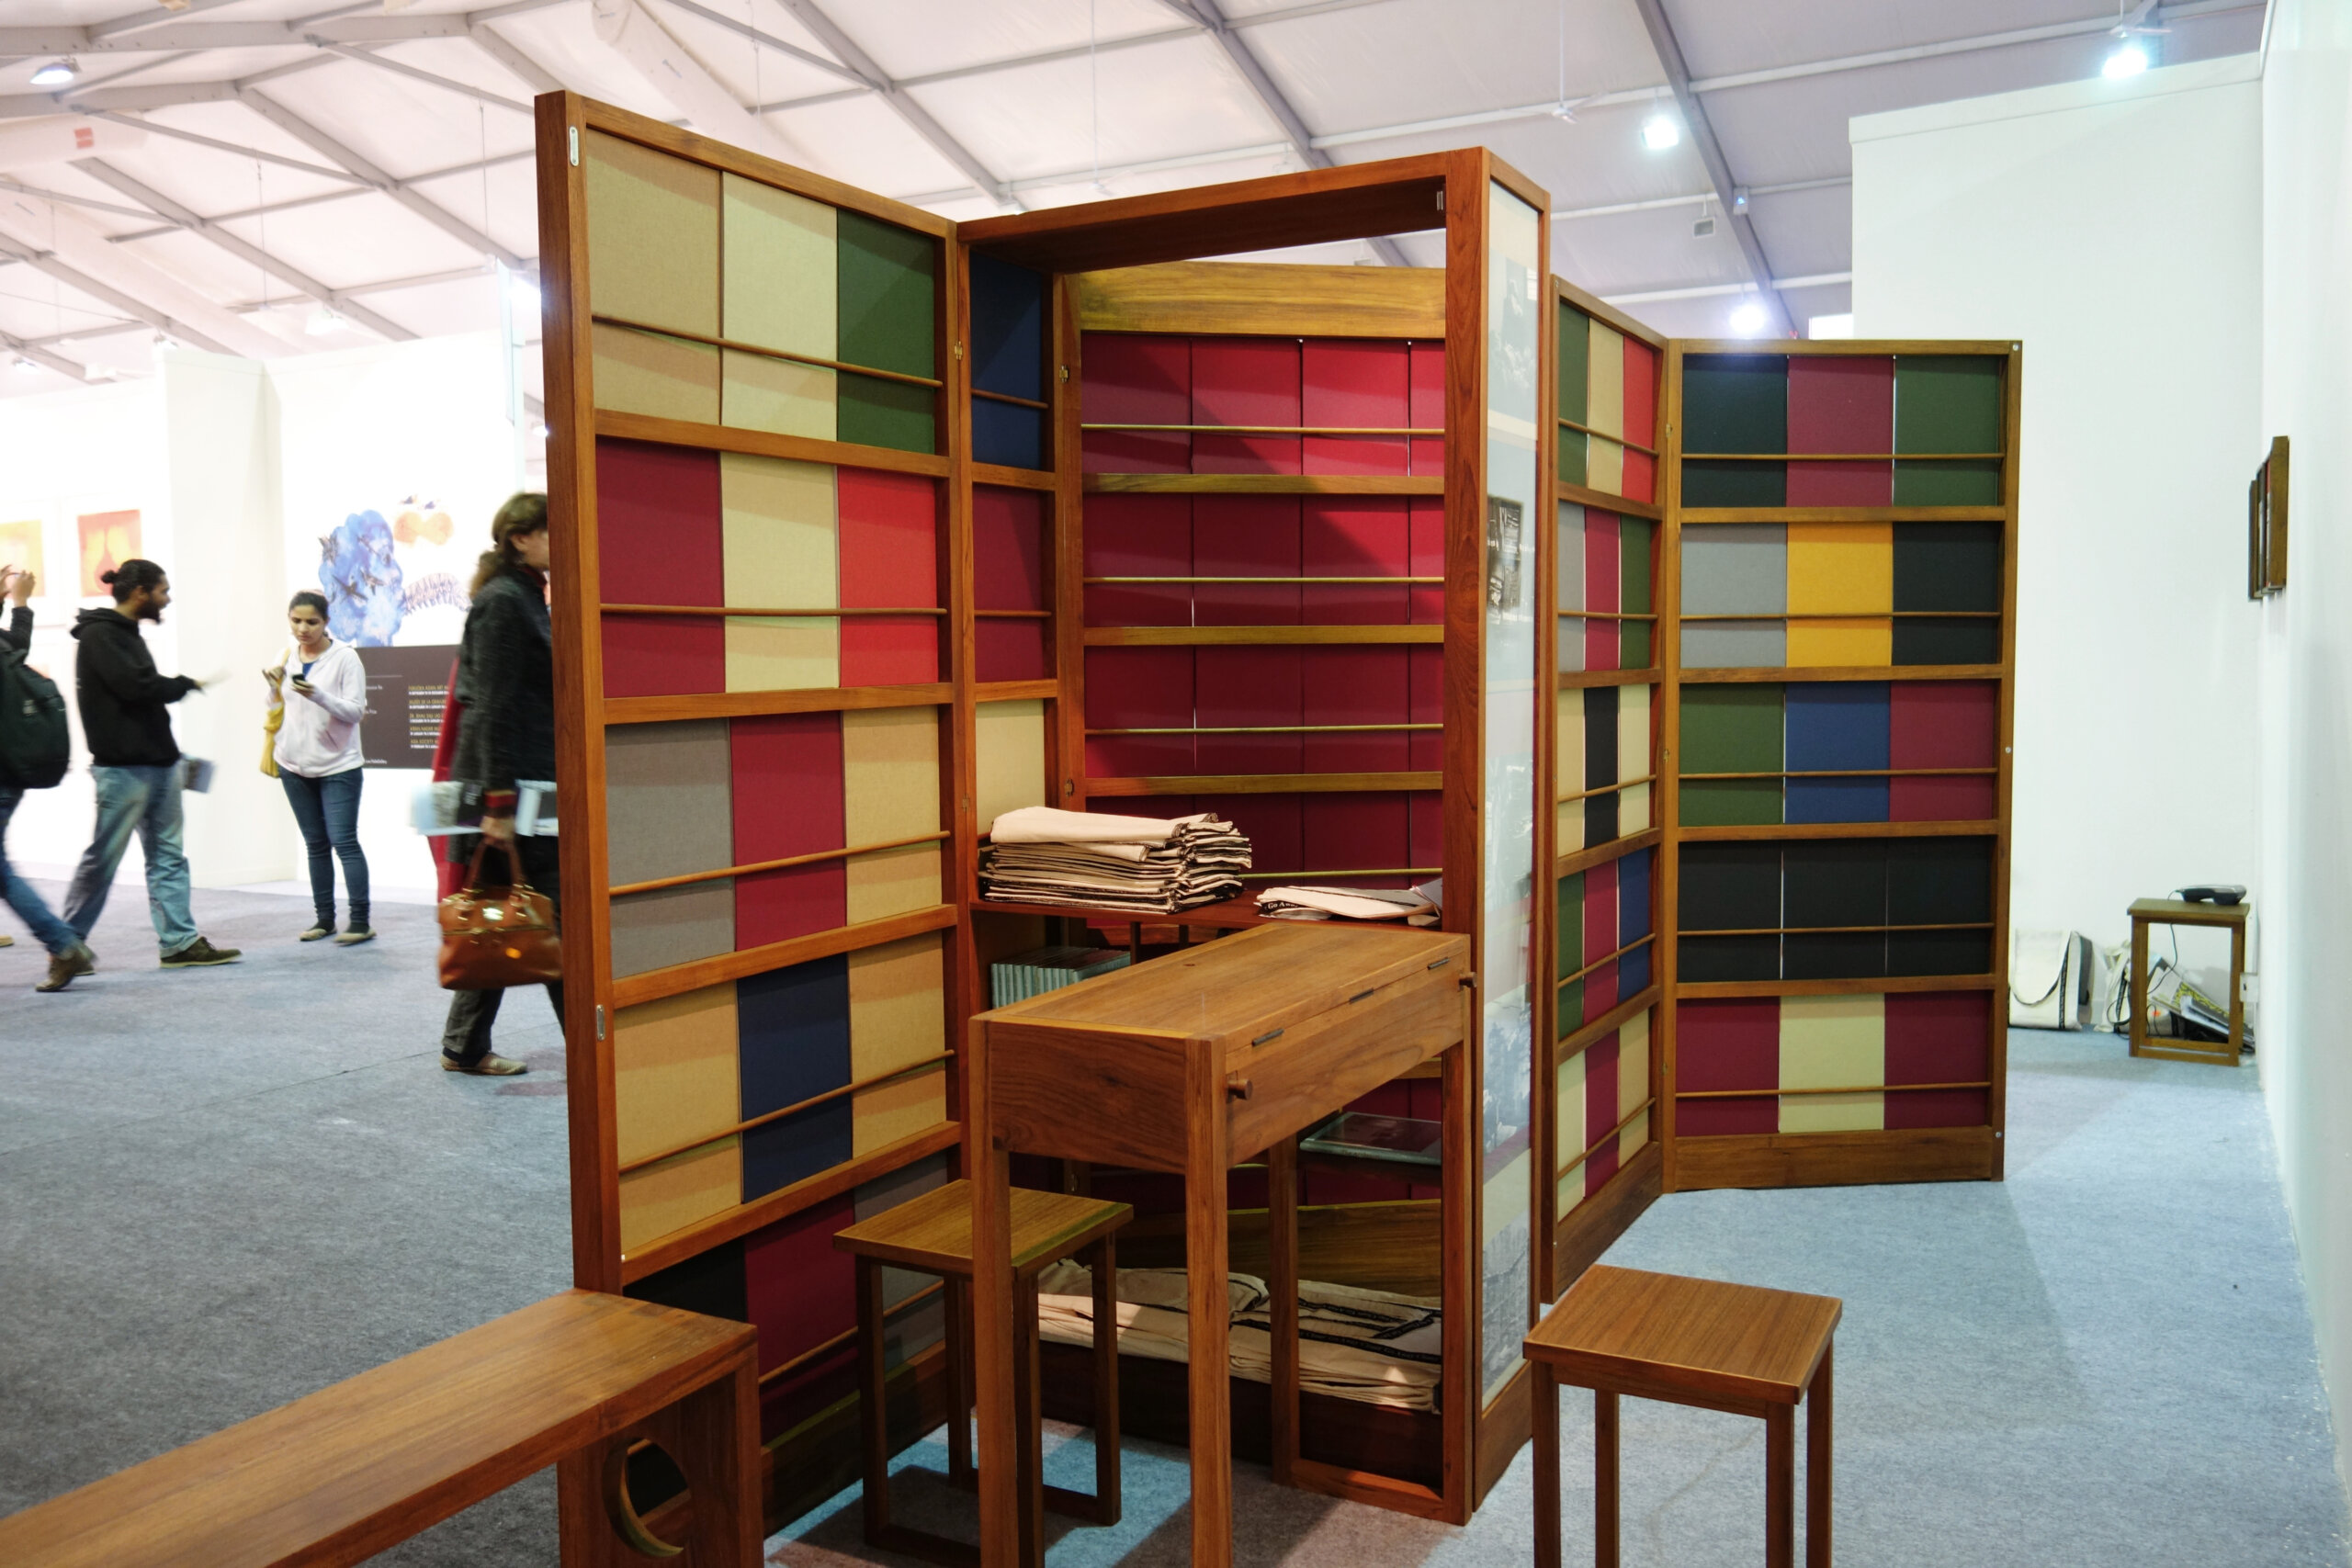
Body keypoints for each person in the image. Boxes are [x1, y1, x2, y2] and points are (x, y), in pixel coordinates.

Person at [62, 559, 241, 969]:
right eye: (163, 590)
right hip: (123, 770)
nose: (167, 598)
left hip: (160, 763)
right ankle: (65, 945)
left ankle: (179, 943)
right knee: (103, 860)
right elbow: (136, 687)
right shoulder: (100, 635)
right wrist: (184, 685)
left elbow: (138, 692)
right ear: (140, 592)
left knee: (168, 857)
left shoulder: (124, 632)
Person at [441, 493, 557, 1077]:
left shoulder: (524, 596)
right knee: (546, 911)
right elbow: (491, 708)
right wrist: (499, 803)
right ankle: (597, 1054)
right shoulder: (505, 601)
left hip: (529, 784)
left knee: (502, 911)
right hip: (510, 791)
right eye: (552, 530)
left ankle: (463, 1045)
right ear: (521, 538)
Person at [0, 566, 97, 991]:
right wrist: (18, 604)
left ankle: (63, 944)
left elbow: (11, 646)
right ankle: (63, 945)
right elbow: (14, 645)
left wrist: (16, 604)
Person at [266, 590, 372, 944]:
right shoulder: (285, 655)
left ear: (326, 622)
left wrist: (318, 695)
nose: (303, 628)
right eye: (296, 621)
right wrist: (272, 688)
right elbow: (276, 709)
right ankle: (324, 919)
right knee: (315, 843)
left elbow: (355, 711)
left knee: (344, 841)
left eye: (311, 622)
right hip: (292, 764)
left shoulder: (345, 658)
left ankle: (360, 922)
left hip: (339, 765)